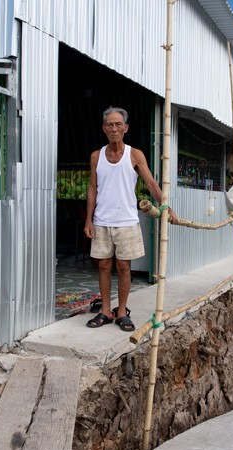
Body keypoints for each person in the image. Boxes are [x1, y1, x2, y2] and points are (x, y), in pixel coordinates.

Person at [84, 106, 177, 331]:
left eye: (118, 124)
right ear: (103, 128)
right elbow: (92, 189)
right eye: (109, 124)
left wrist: (166, 207)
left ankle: (122, 311)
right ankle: (106, 310)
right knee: (104, 265)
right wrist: (88, 220)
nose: (114, 128)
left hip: (126, 220)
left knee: (124, 267)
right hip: (102, 220)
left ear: (125, 128)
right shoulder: (97, 156)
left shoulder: (134, 154)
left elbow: (151, 183)